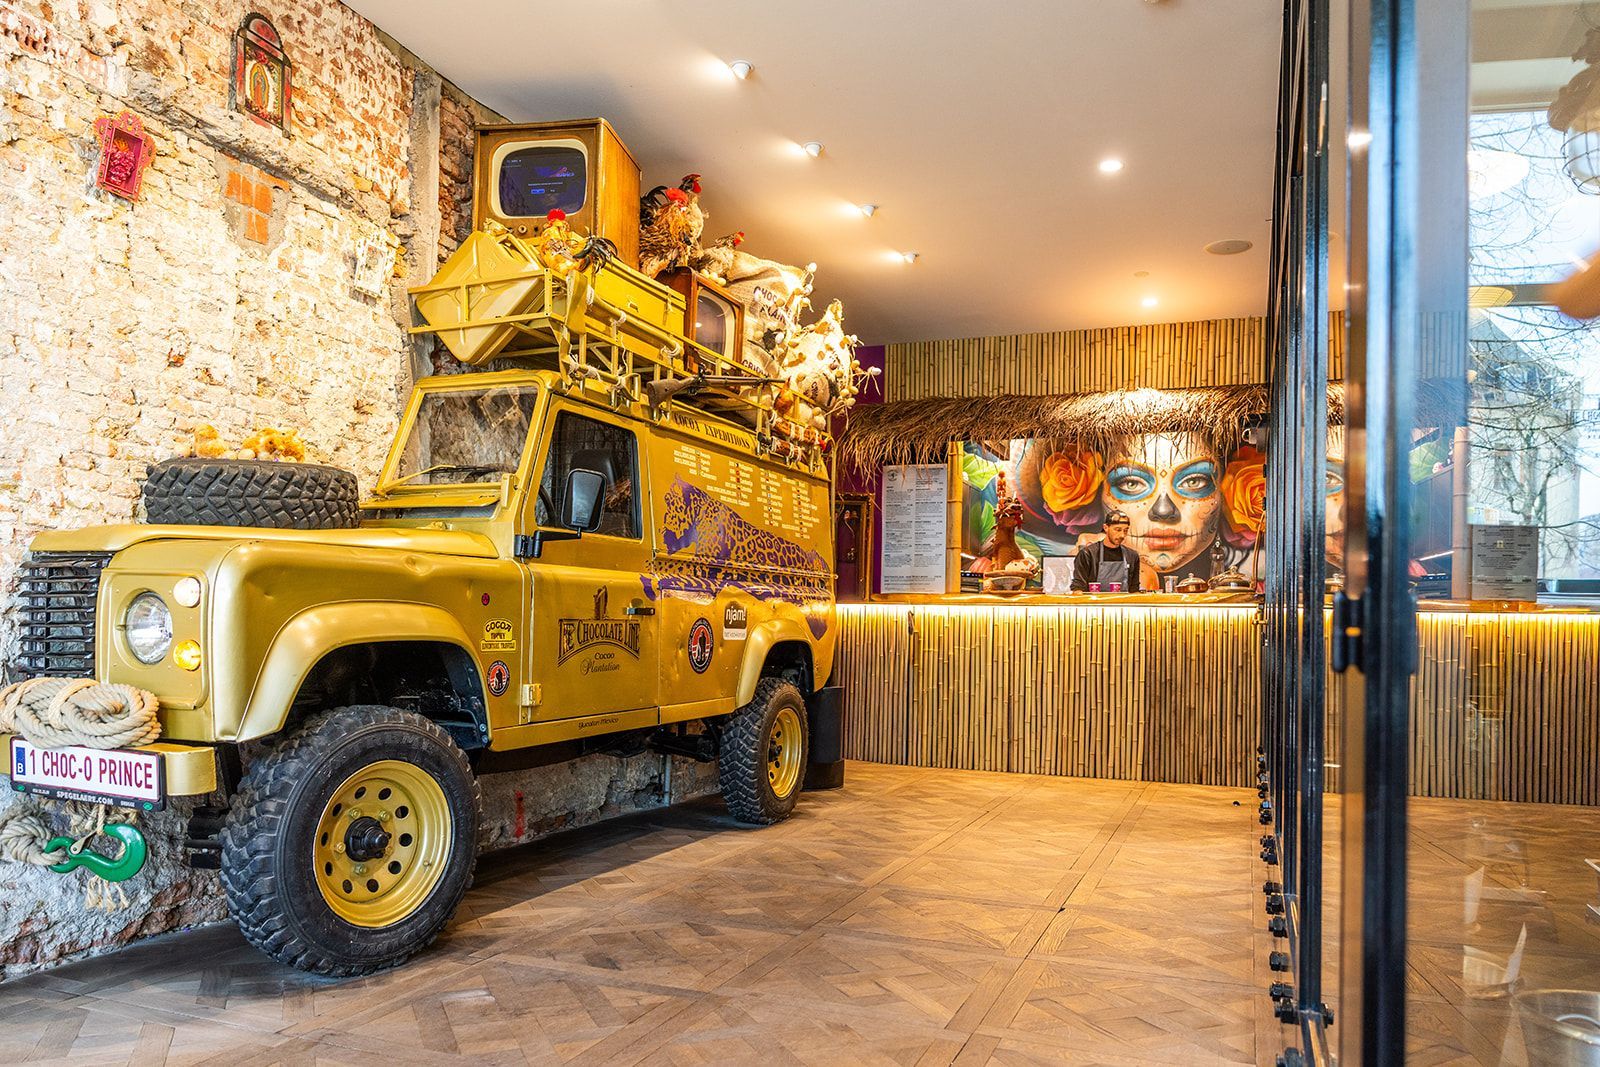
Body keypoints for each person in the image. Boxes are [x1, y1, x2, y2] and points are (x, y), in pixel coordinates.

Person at [1071, 511, 1141, 592]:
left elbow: (1134, 589)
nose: (1122, 535)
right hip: (1094, 603)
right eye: (1118, 530)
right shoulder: (1088, 554)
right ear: (1106, 528)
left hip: (1122, 604)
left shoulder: (1132, 556)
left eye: (1125, 530)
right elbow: (1078, 588)